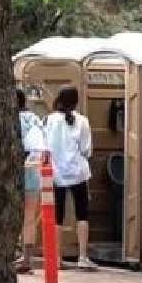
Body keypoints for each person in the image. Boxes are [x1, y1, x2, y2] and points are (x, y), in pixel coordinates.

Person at [45, 85, 98, 270]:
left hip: (56, 173)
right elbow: (86, 149)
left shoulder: (49, 120)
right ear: (76, 101)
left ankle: (57, 258)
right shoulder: (82, 121)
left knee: (57, 216)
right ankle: (82, 256)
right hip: (78, 172)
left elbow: (46, 146)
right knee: (82, 214)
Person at [16, 88, 47, 274]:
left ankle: (14, 253)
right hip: (34, 171)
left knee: (11, 215)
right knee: (29, 217)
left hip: (15, 171)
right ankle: (27, 257)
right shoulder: (35, 119)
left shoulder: (11, 120)